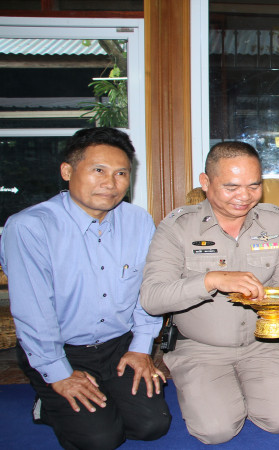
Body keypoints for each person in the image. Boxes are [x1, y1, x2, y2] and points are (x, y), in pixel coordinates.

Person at [0, 127, 171, 449]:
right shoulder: (29, 228)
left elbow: (147, 289)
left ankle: (101, 395)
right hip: (60, 347)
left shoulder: (138, 221)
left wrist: (141, 346)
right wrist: (59, 374)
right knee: (101, 440)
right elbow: (32, 312)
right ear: (67, 171)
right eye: (98, 170)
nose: (110, 182)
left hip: (118, 345)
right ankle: (47, 400)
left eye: (121, 173)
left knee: (152, 426)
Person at [139, 141, 279, 443]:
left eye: (254, 186)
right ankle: (214, 391)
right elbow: (152, 298)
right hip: (200, 347)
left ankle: (246, 389)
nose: (244, 197)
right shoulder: (177, 228)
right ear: (205, 183)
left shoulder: (277, 223)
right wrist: (211, 280)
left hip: (261, 344)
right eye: (231, 187)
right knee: (215, 432)